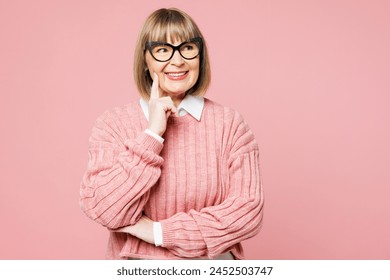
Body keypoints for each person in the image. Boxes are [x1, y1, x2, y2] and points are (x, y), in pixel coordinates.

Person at [79, 7, 264, 260]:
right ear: (145, 60)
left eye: (187, 48)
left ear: (200, 55)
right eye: (163, 50)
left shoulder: (229, 124)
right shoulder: (112, 124)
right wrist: (152, 135)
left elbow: (248, 213)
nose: (177, 61)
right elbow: (103, 208)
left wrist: (158, 232)